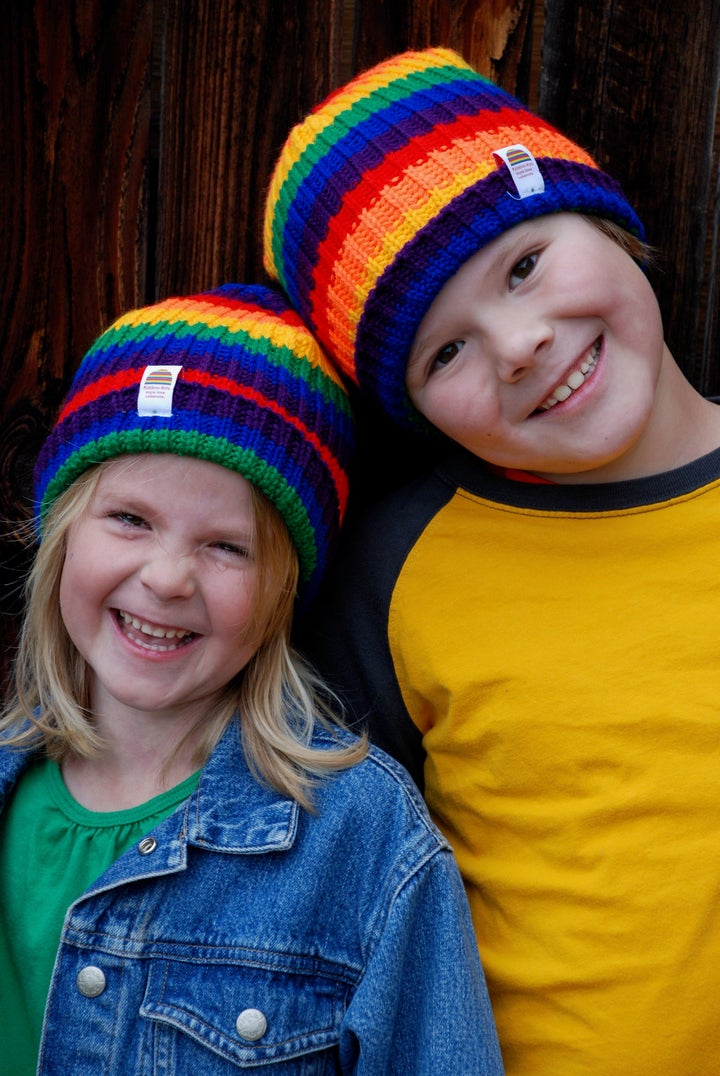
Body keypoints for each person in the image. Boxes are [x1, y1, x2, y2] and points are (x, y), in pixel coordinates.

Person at [262, 46, 720, 1074]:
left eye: (523, 264)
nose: (517, 343)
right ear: (414, 410)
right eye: (446, 351)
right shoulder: (400, 568)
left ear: (605, 217)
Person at [0, 283, 504, 1075]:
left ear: (282, 592)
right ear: (60, 535)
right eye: (129, 519)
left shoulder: (362, 840)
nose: (168, 578)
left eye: (227, 547)